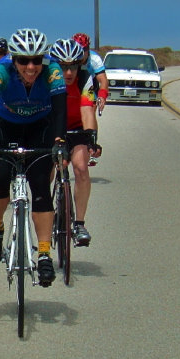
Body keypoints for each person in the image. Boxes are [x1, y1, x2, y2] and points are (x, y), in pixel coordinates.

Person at [0, 28, 67, 287]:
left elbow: (61, 109)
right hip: (5, 123)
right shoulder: (1, 70)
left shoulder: (53, 70)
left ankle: (45, 252)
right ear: (13, 59)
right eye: (24, 60)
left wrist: (60, 141)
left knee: (40, 185)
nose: (31, 66)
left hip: (41, 125)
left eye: (36, 60)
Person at [51, 35, 108, 247]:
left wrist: (91, 138)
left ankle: (79, 223)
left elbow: (87, 111)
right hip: (51, 128)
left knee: (82, 168)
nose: (68, 72)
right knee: (47, 169)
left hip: (75, 128)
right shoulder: (46, 79)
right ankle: (46, 212)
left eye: (73, 67)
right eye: (63, 67)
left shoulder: (85, 79)